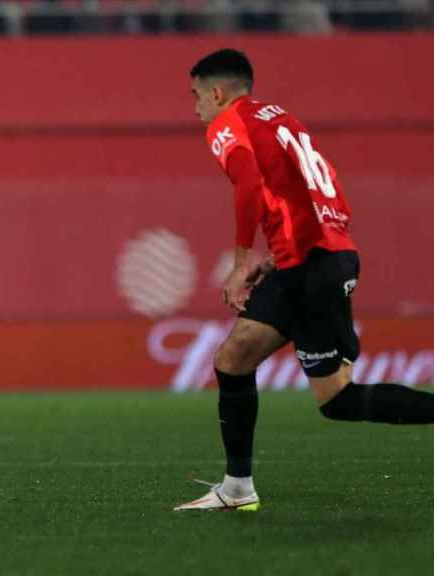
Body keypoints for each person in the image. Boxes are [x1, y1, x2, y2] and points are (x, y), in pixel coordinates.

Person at [175, 48, 434, 511]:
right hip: (310, 260)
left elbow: (249, 186)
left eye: (195, 95)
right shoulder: (283, 120)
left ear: (217, 92)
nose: (194, 107)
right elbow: (314, 195)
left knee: (337, 401)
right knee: (233, 359)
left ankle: (238, 488)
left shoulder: (227, 123)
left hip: (314, 269)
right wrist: (275, 260)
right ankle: (237, 488)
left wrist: (239, 263)